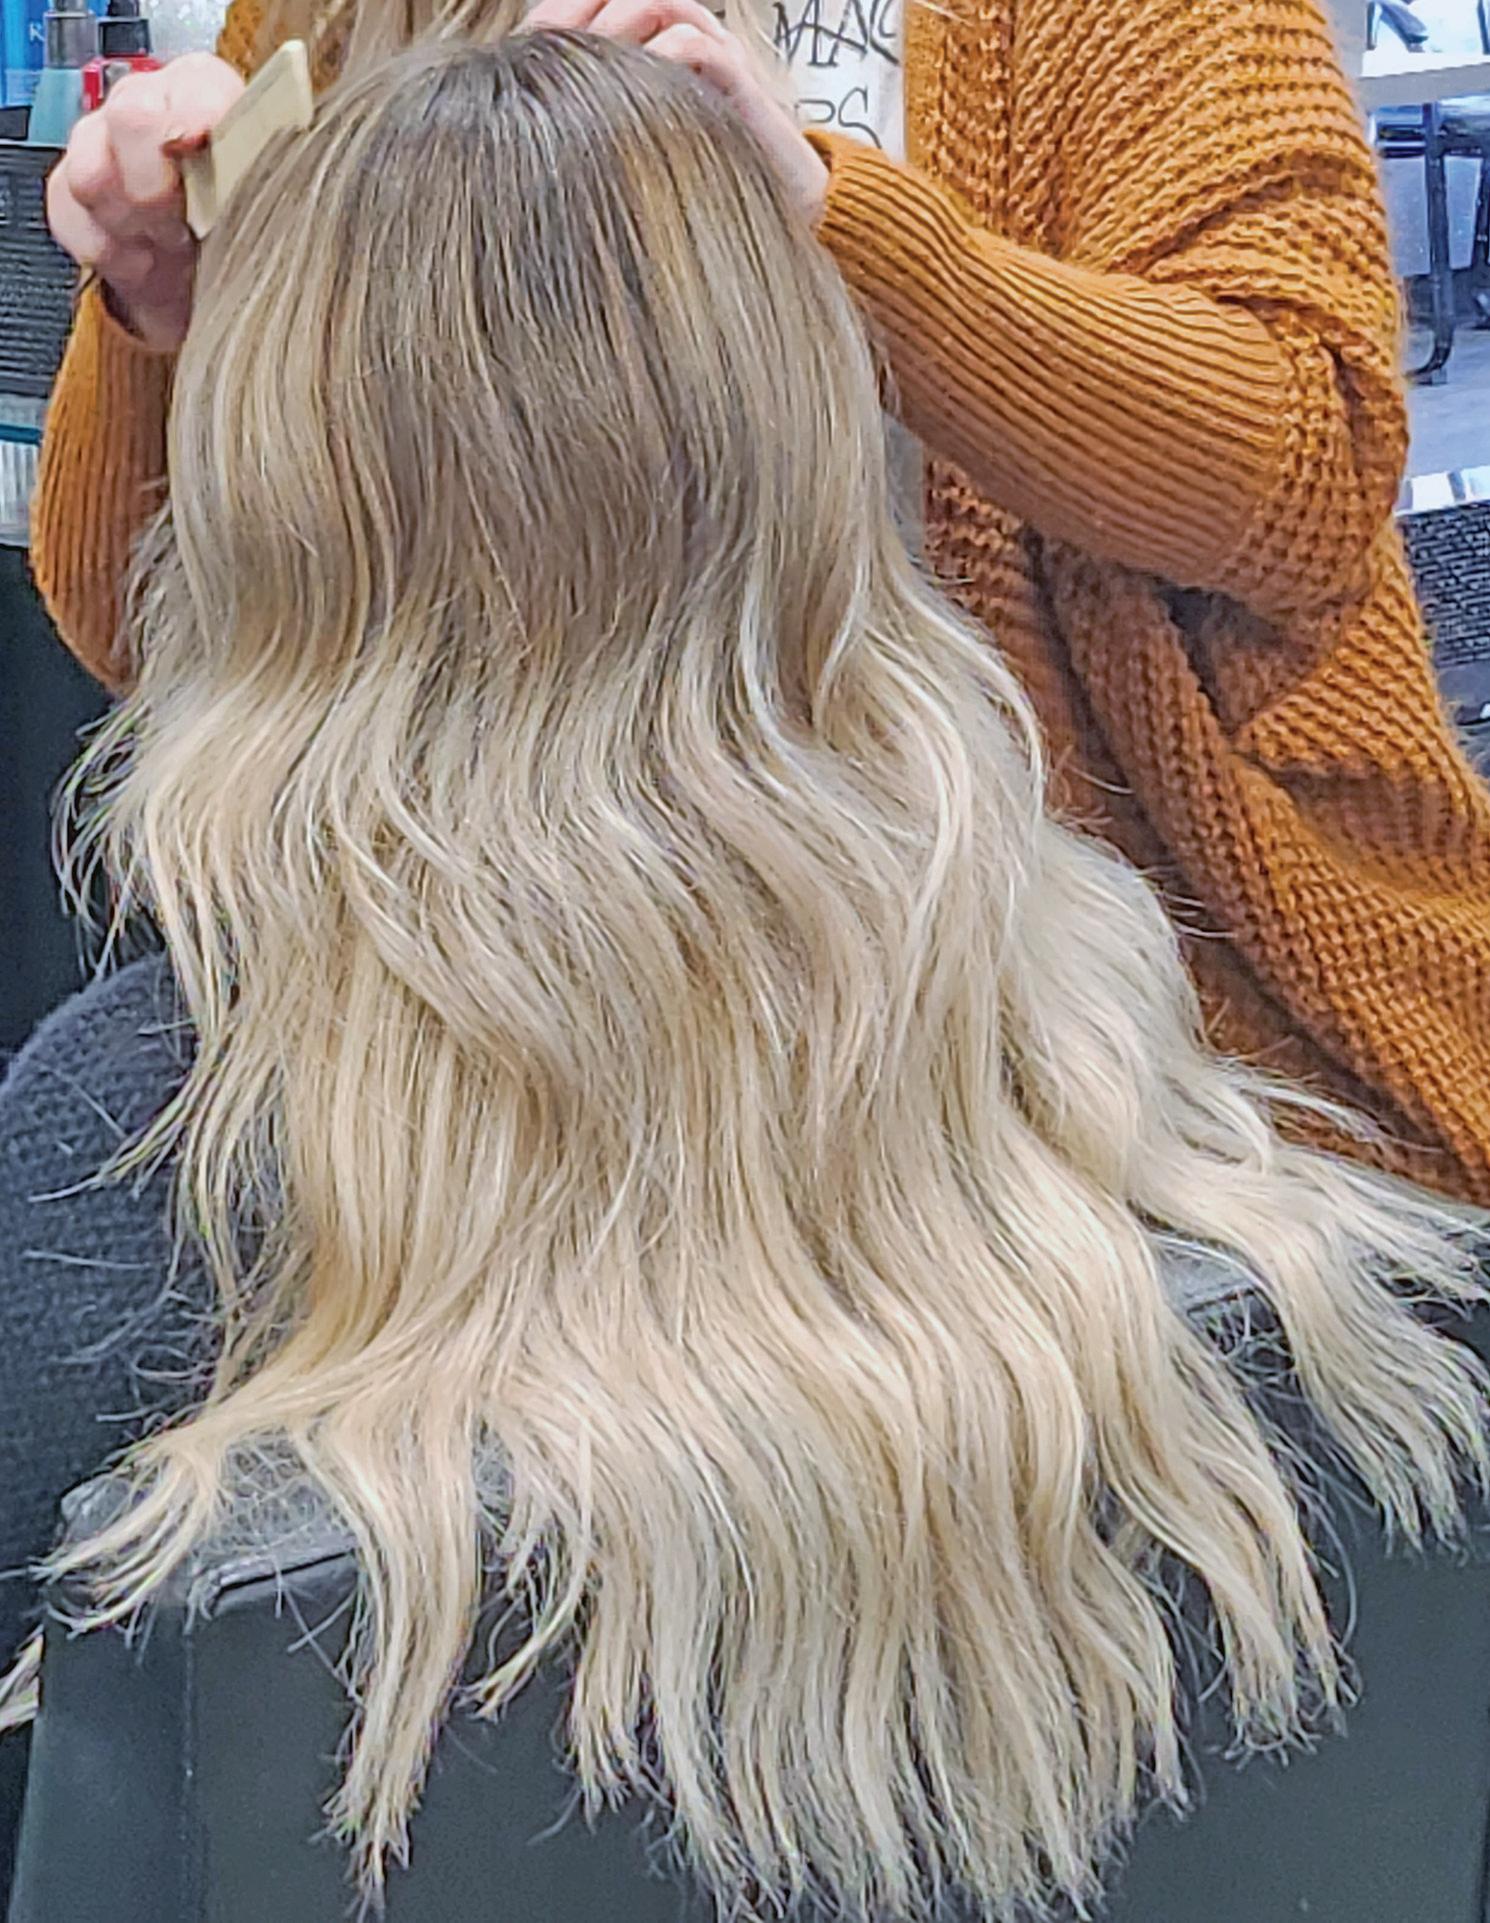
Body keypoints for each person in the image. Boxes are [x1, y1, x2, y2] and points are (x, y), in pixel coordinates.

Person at [3, 36, 1488, 1920]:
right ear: (819, 463)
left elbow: (1302, 471)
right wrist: (158, 325)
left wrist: (871, 240)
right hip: (985, 1081)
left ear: (281, 481)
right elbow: (130, 600)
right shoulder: (1152, 1095)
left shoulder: (128, 1160)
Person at [35, 0, 1490, 1205]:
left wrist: (842, 229)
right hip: (520, 1027)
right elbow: (138, 634)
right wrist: (167, 313)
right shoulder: (338, 21)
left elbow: (1306, 473)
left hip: (1120, 1027)